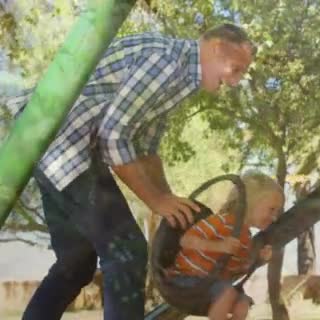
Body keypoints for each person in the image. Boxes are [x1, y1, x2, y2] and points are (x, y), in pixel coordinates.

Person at [1, 23, 255, 320]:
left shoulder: (181, 76)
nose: (236, 81)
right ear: (216, 47)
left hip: (54, 146)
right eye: (236, 69)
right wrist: (156, 201)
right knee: (128, 252)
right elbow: (113, 137)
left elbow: (145, 148)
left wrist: (167, 200)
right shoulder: (165, 62)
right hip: (66, 144)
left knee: (77, 262)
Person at [167, 171, 284, 320]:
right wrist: (219, 246)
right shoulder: (221, 221)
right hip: (187, 278)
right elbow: (186, 241)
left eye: (277, 212)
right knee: (227, 293)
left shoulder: (245, 237)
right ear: (250, 202)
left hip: (213, 284)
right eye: (271, 209)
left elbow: (238, 270)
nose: (274, 217)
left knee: (243, 302)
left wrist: (259, 260)